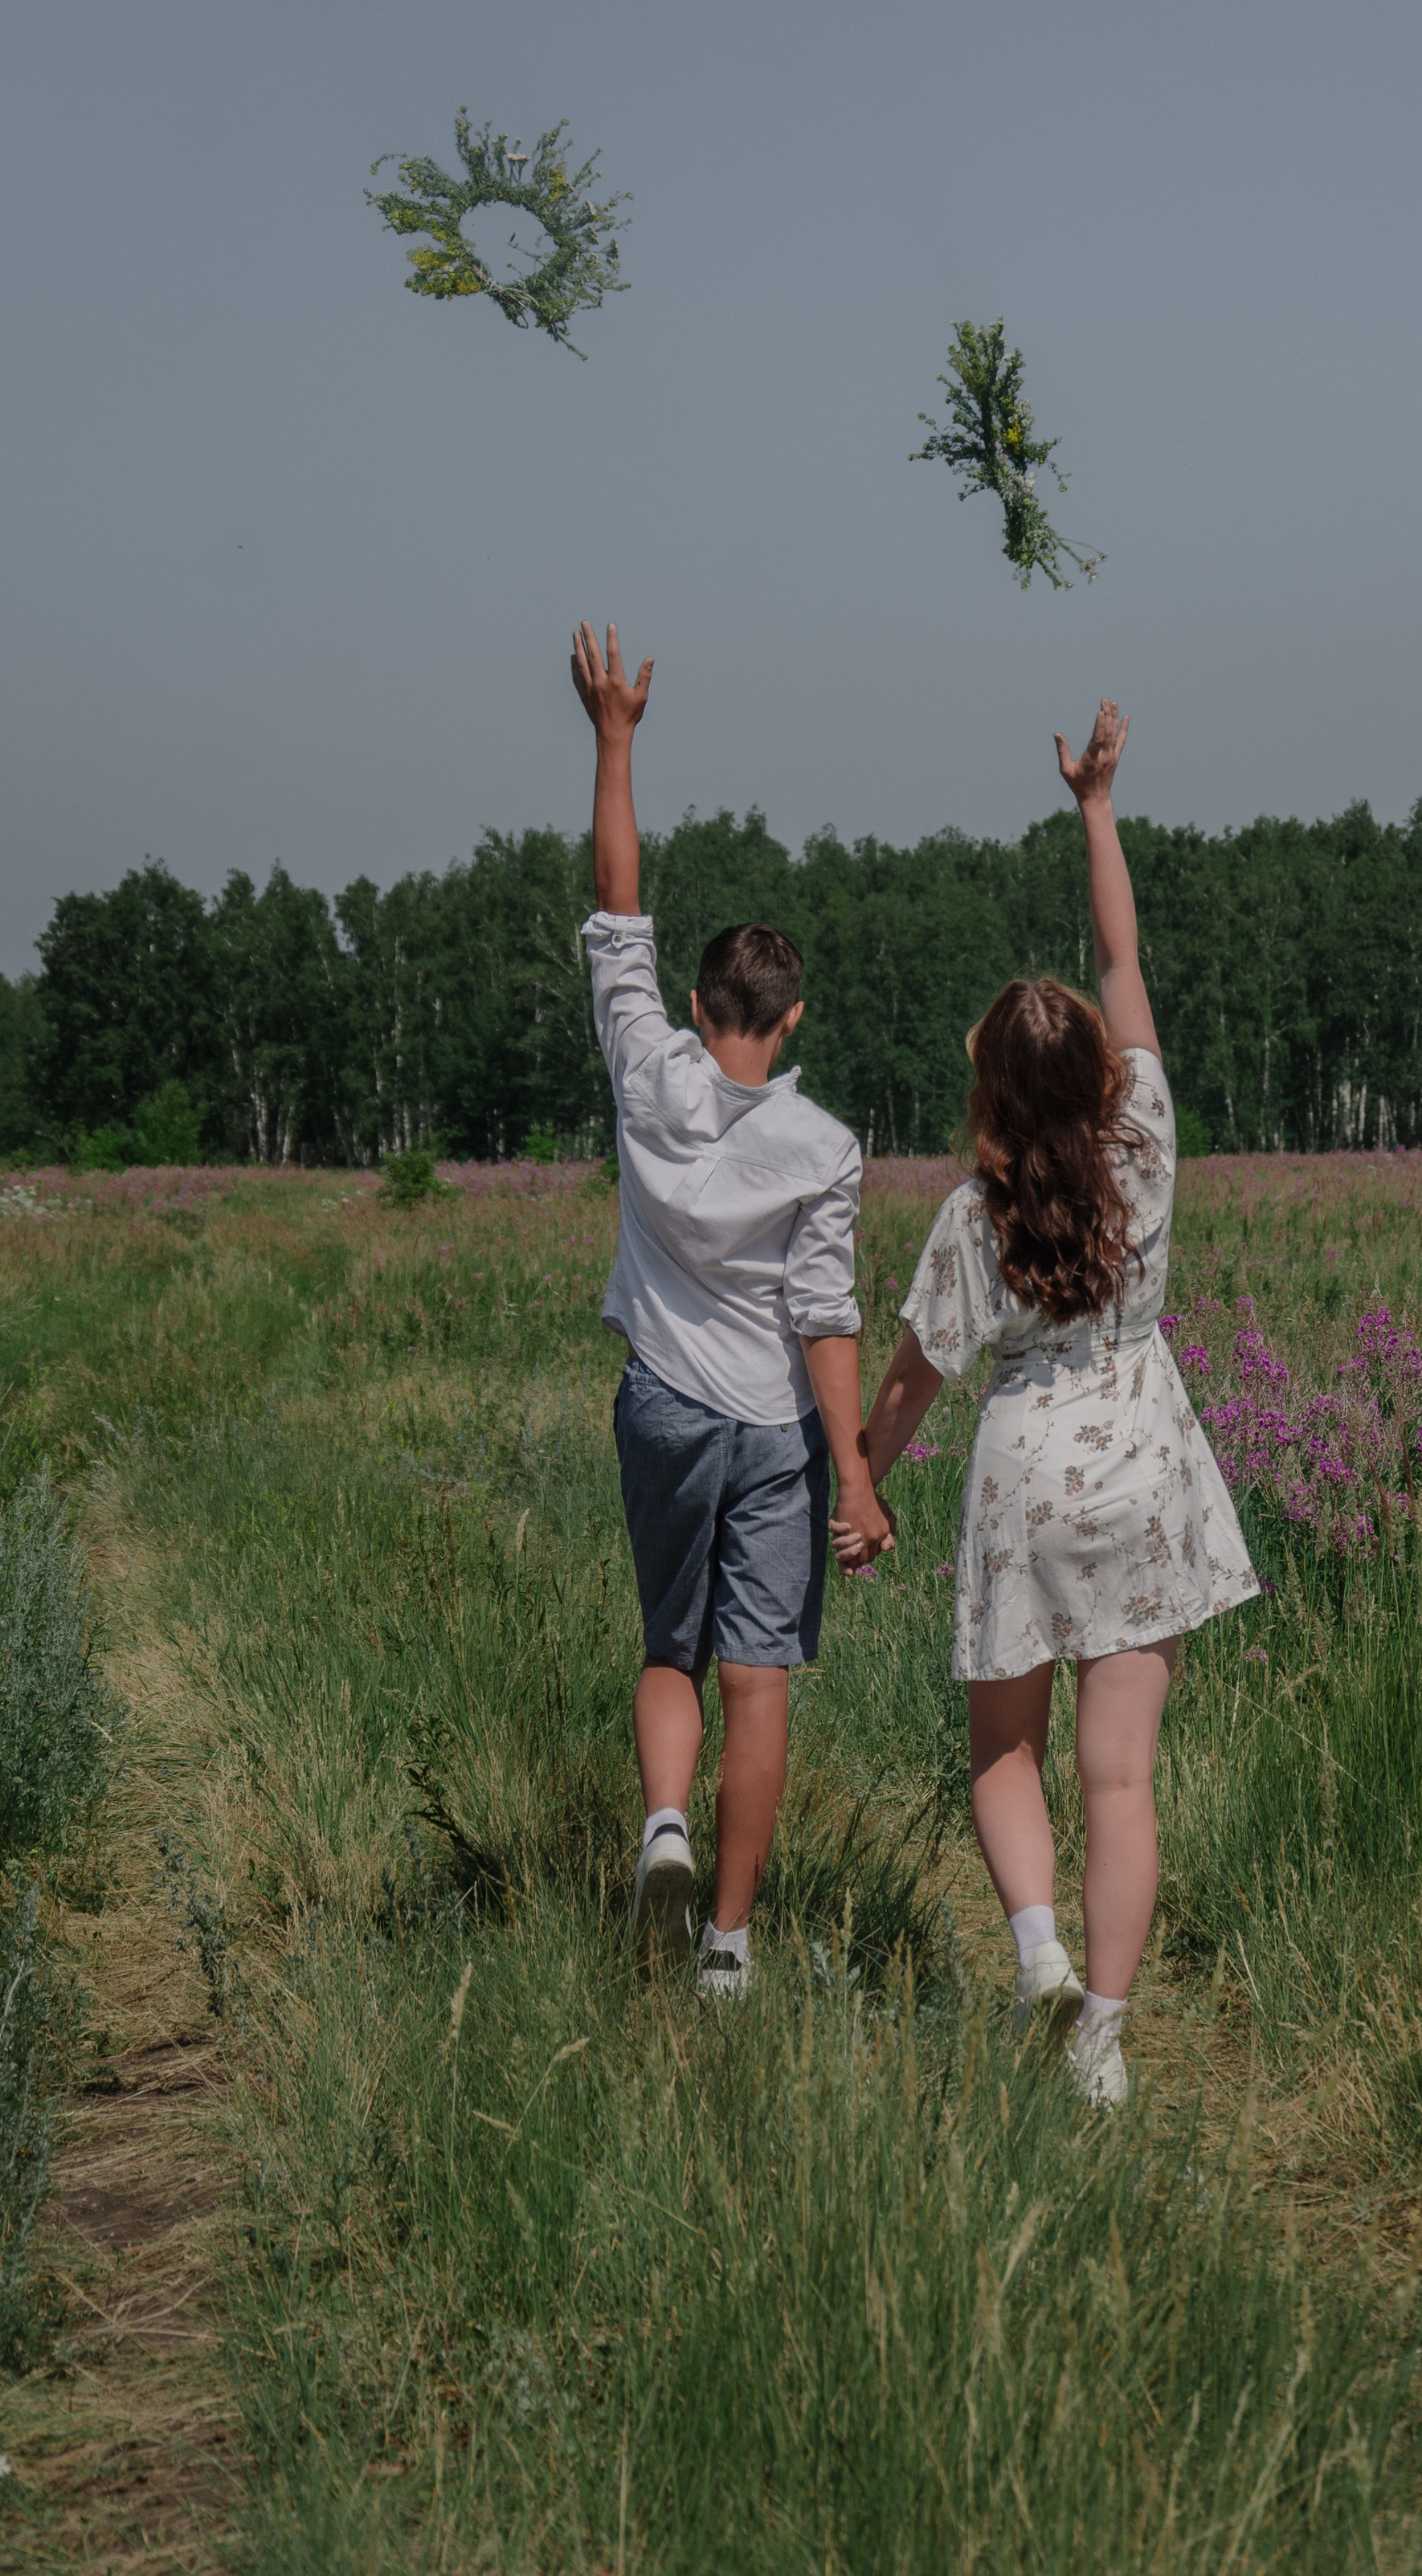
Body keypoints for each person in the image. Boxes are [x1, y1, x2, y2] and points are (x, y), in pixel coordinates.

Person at [851, 700, 1260, 2103]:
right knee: (1120, 1779)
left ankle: (1037, 1953)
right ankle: (1102, 2038)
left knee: (1000, 1750)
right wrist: (1096, 803)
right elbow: (1122, 953)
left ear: (989, 1092)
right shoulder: (1144, 1141)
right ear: (1093, 1070)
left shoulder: (974, 1218)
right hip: (1144, 1465)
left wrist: (863, 1479)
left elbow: (911, 1381)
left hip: (1023, 1482)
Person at [571, 622, 892, 1999]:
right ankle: (732, 1949)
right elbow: (827, 1321)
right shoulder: (821, 1145)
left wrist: (616, 736)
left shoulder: (648, 1065)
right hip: (774, 1431)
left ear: (699, 1003)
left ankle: (662, 1828)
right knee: (760, 1676)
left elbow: (616, 903)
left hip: (661, 1402)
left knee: (668, 1646)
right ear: (795, 1012)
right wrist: (858, 1474)